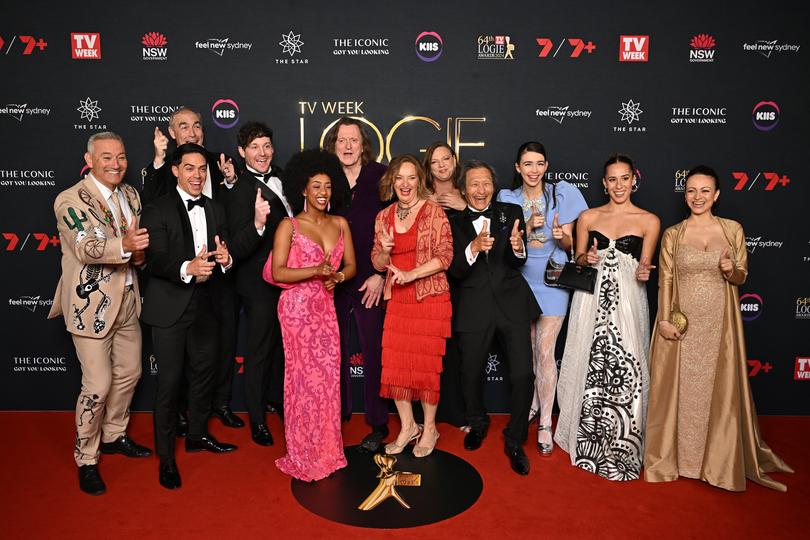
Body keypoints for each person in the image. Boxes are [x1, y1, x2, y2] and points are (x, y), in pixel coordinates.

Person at [644, 165, 793, 491]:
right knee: (681, 391)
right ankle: (681, 460)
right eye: (691, 191)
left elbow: (741, 275)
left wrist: (730, 269)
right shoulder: (674, 233)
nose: (697, 197)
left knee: (717, 390)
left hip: (719, 326)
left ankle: (717, 461)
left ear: (717, 195)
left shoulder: (732, 229)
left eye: (704, 191)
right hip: (683, 326)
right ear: (685, 196)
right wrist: (666, 320)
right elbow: (666, 280)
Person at [49, 131, 152, 495]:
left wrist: (137, 253)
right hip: (91, 305)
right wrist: (125, 245)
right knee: (97, 385)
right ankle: (86, 457)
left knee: (131, 373)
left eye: (121, 156)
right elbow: (87, 248)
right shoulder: (70, 200)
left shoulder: (130, 195)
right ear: (89, 159)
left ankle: (114, 434)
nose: (115, 164)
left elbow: (136, 247)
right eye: (106, 157)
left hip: (126, 299)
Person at [554, 154, 659, 481]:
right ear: (604, 183)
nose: (618, 186)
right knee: (590, 360)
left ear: (633, 180)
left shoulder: (649, 221)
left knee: (627, 365)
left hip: (628, 301)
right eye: (612, 179)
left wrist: (643, 270)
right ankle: (587, 436)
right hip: (591, 300)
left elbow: (645, 268)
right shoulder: (587, 217)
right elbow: (579, 261)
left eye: (624, 179)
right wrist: (588, 256)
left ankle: (624, 440)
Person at [140, 143, 239, 490]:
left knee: (203, 376)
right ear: (176, 171)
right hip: (169, 307)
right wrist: (187, 267)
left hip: (206, 307)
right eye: (190, 168)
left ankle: (197, 435)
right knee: (169, 384)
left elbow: (223, 250)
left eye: (202, 169)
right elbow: (155, 260)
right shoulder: (158, 209)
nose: (197, 175)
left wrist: (226, 259)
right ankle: (166, 458)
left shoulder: (215, 208)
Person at [263, 149, 355, 481]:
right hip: (297, 311)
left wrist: (338, 277)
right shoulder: (289, 226)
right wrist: (316, 270)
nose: (322, 192)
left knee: (327, 381)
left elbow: (351, 266)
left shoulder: (341, 223)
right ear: (303, 189)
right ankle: (303, 451)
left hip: (325, 309)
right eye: (316, 186)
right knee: (303, 381)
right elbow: (279, 272)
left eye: (328, 186)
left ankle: (328, 449)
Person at [447, 160, 540, 475]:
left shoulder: (510, 214)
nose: (481, 190)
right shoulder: (453, 223)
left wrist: (517, 247)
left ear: (493, 187)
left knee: (523, 374)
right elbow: (455, 271)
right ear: (463, 188)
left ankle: (515, 438)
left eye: (486, 183)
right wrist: (473, 247)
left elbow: (517, 260)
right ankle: (477, 422)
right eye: (474, 184)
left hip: (512, 303)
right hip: (474, 306)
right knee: (470, 372)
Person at [497, 142, 587, 455]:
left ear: (546, 166)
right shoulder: (507, 199)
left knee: (545, 351)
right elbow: (504, 248)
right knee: (530, 352)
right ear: (517, 168)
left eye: (539, 164)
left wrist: (563, 237)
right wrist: (523, 226)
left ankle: (546, 421)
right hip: (520, 280)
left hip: (552, 279)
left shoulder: (562, 194)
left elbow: (570, 246)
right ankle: (533, 402)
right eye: (527, 164)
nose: (534, 170)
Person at [371, 155, 453, 458]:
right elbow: (376, 261)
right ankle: (408, 426)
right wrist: (386, 252)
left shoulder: (434, 213)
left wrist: (411, 274)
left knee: (426, 370)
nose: (405, 184)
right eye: (399, 178)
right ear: (392, 182)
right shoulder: (383, 217)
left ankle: (429, 427)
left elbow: (445, 256)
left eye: (411, 178)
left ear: (420, 180)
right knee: (395, 368)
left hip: (429, 299)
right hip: (398, 301)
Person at [325, 117, 390, 452]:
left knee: (374, 350)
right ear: (333, 144)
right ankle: (336, 412)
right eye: (341, 140)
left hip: (371, 279)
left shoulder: (380, 176)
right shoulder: (325, 179)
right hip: (332, 280)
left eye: (353, 140)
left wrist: (382, 275)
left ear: (362, 144)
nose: (347, 146)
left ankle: (379, 422)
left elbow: (396, 227)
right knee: (332, 349)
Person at [226, 121, 293, 446]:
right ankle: (256, 418)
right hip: (258, 284)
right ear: (242, 152)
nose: (262, 153)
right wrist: (258, 223)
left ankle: (277, 401)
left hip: (291, 281)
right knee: (259, 352)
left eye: (266, 145)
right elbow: (236, 248)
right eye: (254, 147)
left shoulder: (284, 177)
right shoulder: (239, 191)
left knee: (284, 349)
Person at [423, 142, 467, 429]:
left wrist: (465, 208)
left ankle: (459, 413)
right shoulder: (421, 196)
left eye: (446, 159)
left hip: (463, 279)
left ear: (454, 160)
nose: (441, 165)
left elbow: (485, 230)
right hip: (430, 279)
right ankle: (425, 417)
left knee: (458, 348)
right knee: (429, 349)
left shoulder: (467, 193)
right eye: (435, 161)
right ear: (428, 167)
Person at [140, 107, 237, 203]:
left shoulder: (224, 162)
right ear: (172, 132)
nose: (192, 134)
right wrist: (159, 158)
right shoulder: (163, 166)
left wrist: (230, 181)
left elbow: (237, 205)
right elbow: (149, 201)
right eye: (184, 128)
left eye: (197, 127)